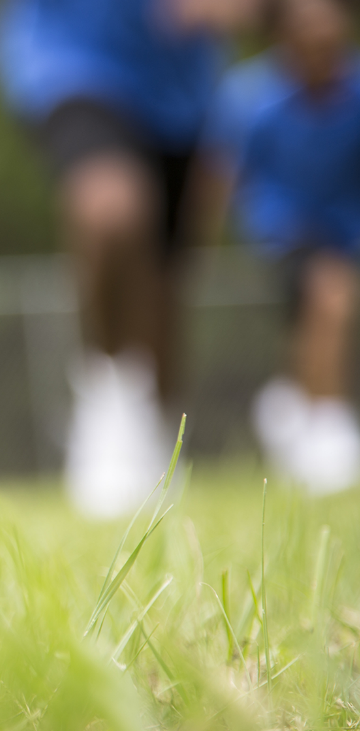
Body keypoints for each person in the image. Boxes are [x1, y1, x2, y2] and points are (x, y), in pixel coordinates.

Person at [0, 0, 255, 517]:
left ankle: (158, 430)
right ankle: (107, 399)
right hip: (73, 63)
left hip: (182, 90)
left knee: (164, 279)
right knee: (110, 209)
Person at [203, 0, 360, 494]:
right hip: (285, 228)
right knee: (328, 295)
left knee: (317, 319)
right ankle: (325, 426)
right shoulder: (252, 98)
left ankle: (289, 402)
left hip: (348, 227)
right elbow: (221, 175)